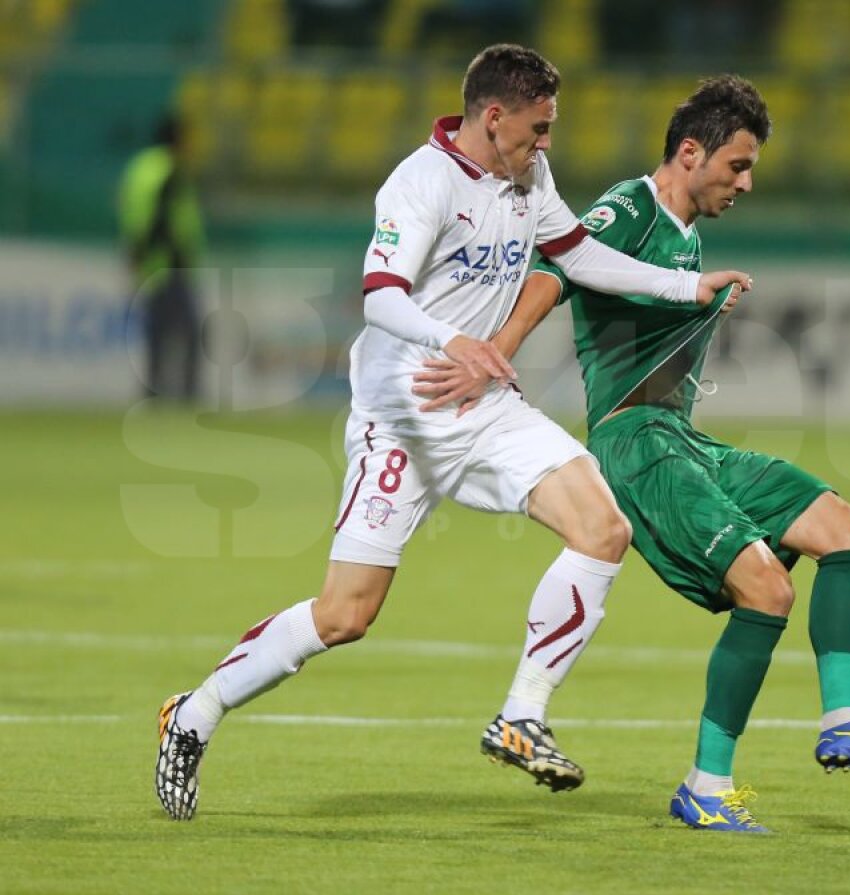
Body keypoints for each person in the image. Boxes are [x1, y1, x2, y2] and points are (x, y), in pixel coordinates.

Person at [154, 45, 750, 821]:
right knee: (345, 615)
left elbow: (577, 253)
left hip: (486, 409)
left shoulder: (527, 177)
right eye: (538, 129)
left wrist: (683, 284)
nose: (547, 145)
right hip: (402, 420)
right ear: (493, 117)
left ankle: (521, 714)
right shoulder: (421, 183)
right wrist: (453, 341)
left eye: (551, 130)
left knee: (604, 525)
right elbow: (379, 296)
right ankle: (194, 714)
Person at [414, 75, 850, 834]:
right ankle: (707, 786)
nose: (746, 183)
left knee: (849, 531)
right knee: (768, 591)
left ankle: (846, 720)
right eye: (738, 165)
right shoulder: (631, 206)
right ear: (690, 153)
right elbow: (556, 267)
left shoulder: (689, 234)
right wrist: (495, 350)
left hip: (683, 440)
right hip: (636, 445)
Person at [117, 114, 205, 401]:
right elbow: (161, 217)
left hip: (148, 263)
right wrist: (172, 254)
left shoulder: (139, 168)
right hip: (169, 263)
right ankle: (186, 395)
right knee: (189, 332)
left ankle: (152, 393)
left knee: (156, 333)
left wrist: (136, 252)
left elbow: (133, 211)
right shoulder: (170, 170)